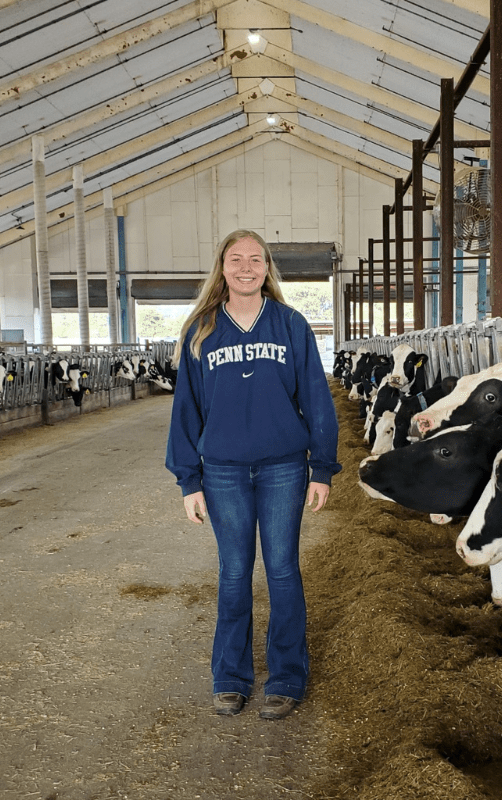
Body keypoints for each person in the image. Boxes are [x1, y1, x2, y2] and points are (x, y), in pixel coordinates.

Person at [165, 229, 341, 720]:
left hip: (285, 466)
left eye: (256, 259)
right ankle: (231, 678)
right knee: (234, 572)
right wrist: (189, 480)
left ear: (268, 268)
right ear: (221, 267)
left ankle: (286, 677)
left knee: (283, 570)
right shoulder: (201, 328)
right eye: (236, 259)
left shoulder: (289, 324)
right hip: (222, 471)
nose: (246, 267)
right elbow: (186, 410)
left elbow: (316, 400)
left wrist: (321, 468)